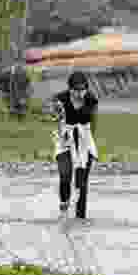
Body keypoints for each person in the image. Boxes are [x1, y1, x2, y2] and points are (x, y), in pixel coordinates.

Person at [51, 71, 99, 220]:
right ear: (69, 89)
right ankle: (64, 204)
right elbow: (57, 120)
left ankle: (80, 216)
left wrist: (90, 142)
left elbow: (91, 121)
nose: (79, 93)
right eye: (76, 90)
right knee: (65, 175)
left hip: (84, 137)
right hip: (65, 136)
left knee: (81, 181)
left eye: (82, 89)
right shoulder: (60, 99)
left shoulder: (91, 99)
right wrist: (61, 130)